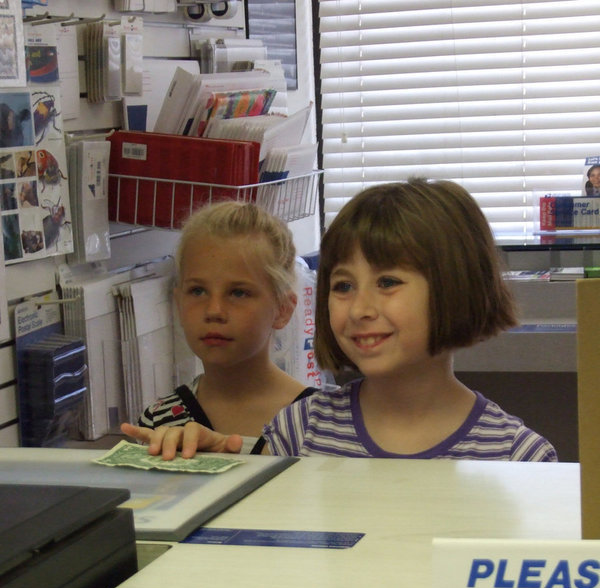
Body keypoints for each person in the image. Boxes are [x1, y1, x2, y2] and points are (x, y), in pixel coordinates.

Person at [127, 179, 558, 462]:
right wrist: (216, 467)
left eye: (387, 282)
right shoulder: (298, 430)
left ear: (456, 286)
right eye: (344, 285)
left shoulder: (519, 456)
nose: (359, 309)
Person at [120, 201, 315, 454]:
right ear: (178, 303)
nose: (214, 311)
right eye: (197, 291)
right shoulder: (159, 422)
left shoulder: (322, 422)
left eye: (238, 293)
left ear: (282, 309)